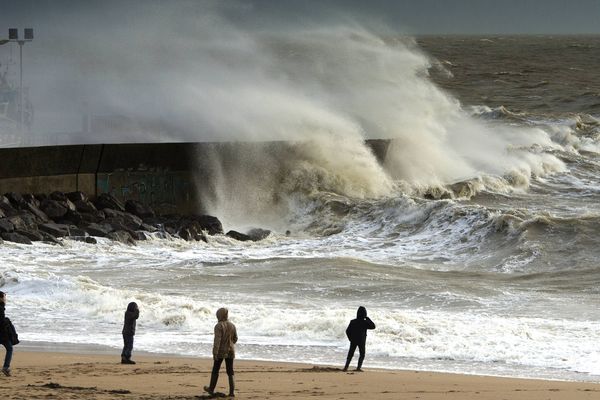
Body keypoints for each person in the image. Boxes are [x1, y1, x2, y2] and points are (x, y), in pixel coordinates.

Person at [204, 307, 238, 397]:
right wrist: (230, 344)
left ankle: (211, 389)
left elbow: (217, 341)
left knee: (215, 369)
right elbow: (235, 338)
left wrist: (215, 353)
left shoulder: (218, 326)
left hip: (220, 351)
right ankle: (232, 392)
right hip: (231, 350)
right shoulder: (232, 325)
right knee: (230, 371)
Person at [343, 306, 375, 372]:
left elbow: (347, 331)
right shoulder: (365, 322)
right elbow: (373, 326)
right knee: (362, 354)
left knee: (350, 354)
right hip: (361, 340)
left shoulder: (353, 321)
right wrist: (368, 318)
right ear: (365, 314)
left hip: (353, 340)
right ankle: (358, 368)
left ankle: (346, 367)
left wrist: (350, 338)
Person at [0, 291, 13, 376]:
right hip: (2, 333)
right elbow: (1, 321)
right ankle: (5, 367)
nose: (5, 299)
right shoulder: (0, 308)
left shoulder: (1, 307)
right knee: (10, 348)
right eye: (4, 297)